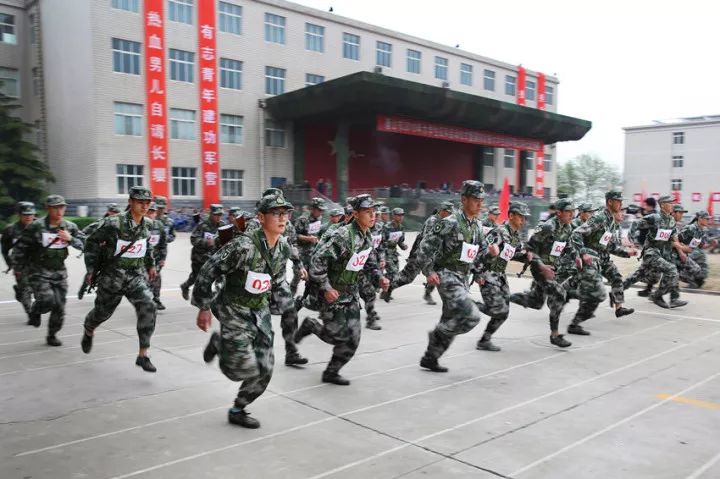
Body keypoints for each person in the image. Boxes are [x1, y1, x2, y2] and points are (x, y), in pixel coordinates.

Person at [194, 193, 295, 428]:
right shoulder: (243, 246)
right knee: (241, 370)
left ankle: (238, 409)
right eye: (276, 214)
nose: (282, 219)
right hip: (234, 309)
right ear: (260, 217)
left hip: (260, 313)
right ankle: (220, 344)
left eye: (285, 213)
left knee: (265, 370)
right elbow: (208, 271)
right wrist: (204, 306)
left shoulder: (282, 249)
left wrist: (287, 302)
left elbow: (277, 281)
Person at [294, 194, 389, 385]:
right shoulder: (343, 236)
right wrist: (326, 287)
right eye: (368, 212)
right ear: (355, 214)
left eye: (374, 212)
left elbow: (369, 263)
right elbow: (318, 261)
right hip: (332, 293)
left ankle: (331, 371)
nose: (373, 216)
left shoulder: (366, 235)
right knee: (336, 336)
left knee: (353, 339)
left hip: (350, 293)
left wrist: (379, 277)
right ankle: (310, 325)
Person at [414, 181, 499, 372]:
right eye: (476, 199)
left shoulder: (477, 226)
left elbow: (479, 254)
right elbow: (424, 249)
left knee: (451, 319)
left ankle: (430, 358)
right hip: (446, 275)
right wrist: (429, 272)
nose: (480, 204)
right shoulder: (449, 223)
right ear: (464, 200)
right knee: (471, 315)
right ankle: (438, 333)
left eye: (481, 200)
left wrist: (486, 263)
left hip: (463, 278)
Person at [80, 186, 158, 372]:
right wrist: (90, 269)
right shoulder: (113, 223)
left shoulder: (148, 224)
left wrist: (151, 264)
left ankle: (143, 354)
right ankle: (89, 329)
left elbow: (146, 245)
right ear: (130, 202)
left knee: (149, 305)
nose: (144, 206)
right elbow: (91, 241)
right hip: (112, 277)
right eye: (140, 202)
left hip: (135, 276)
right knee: (102, 313)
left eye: (147, 203)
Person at [12, 196, 84, 344]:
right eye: (55, 207)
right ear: (47, 208)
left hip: (59, 272)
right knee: (47, 299)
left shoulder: (69, 227)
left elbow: (85, 244)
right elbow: (20, 248)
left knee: (59, 306)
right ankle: (35, 311)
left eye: (61, 207)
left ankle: (52, 335)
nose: (59, 211)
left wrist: (70, 239)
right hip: (38, 271)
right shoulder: (36, 226)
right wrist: (18, 269)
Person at [566, 191, 637, 336]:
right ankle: (574, 322)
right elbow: (576, 233)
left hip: (603, 258)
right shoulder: (599, 217)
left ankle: (619, 308)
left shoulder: (611, 221)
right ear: (610, 202)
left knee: (616, 277)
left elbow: (608, 246)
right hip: (592, 258)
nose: (621, 204)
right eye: (618, 201)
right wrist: (583, 253)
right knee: (596, 292)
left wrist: (626, 253)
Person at [509, 199, 575, 347]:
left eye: (573, 211)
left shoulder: (567, 227)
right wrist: (542, 266)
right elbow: (530, 248)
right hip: (539, 267)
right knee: (559, 293)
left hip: (552, 268)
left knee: (537, 303)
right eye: (568, 211)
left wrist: (577, 258)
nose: (572, 214)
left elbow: (568, 248)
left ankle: (509, 297)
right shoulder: (548, 227)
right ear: (559, 213)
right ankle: (555, 335)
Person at [475, 202, 532, 351]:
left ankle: (484, 340)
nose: (523, 220)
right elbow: (480, 251)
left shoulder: (514, 236)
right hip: (487, 273)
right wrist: (477, 273)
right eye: (521, 217)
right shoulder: (498, 232)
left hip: (500, 275)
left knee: (504, 312)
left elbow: (512, 254)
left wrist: (526, 257)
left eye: (525, 218)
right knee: (497, 310)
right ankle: (470, 305)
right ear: (511, 215)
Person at [623, 196, 688, 309]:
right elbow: (635, 224)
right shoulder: (655, 217)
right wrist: (630, 240)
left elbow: (673, 236)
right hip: (651, 252)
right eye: (670, 203)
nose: (672, 205)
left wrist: (681, 250)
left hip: (663, 253)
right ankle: (657, 296)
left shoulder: (671, 220)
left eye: (673, 203)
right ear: (662, 205)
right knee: (671, 270)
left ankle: (619, 288)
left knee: (641, 275)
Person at [384, 201, 454, 305]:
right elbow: (428, 240)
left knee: (435, 274)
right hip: (420, 253)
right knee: (407, 277)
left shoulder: (444, 221)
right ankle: (390, 287)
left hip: (433, 254)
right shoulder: (433, 221)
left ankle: (427, 294)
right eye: (448, 212)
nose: (450, 215)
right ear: (442, 211)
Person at [180, 204, 225, 300]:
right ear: (211, 214)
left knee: (218, 275)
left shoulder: (222, 225)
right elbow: (193, 239)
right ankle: (185, 286)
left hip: (214, 256)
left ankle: (214, 296)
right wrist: (206, 242)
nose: (218, 217)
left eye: (220, 215)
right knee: (196, 277)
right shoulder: (202, 225)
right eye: (216, 215)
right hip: (199, 257)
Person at [1, 202, 37, 324]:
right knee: (26, 289)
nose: (28, 217)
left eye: (30, 214)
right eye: (24, 214)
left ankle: (19, 292)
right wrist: (10, 264)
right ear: (19, 214)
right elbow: (5, 250)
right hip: (20, 265)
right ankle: (30, 314)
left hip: (38, 264)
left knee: (37, 289)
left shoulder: (41, 226)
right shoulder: (10, 230)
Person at [291, 197, 326, 295]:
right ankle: (290, 297)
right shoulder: (303, 219)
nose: (321, 212)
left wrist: (317, 240)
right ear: (313, 208)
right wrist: (308, 238)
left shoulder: (319, 218)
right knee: (298, 275)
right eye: (319, 210)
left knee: (312, 275)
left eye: (322, 210)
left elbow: (316, 232)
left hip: (312, 251)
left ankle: (308, 296)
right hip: (301, 251)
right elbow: (295, 235)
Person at [381, 207, 408, 300]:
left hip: (394, 254)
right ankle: (380, 283)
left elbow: (400, 241)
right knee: (393, 273)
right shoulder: (387, 227)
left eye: (402, 215)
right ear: (394, 216)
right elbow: (381, 241)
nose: (400, 217)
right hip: (386, 253)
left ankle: (384, 289)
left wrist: (403, 246)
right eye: (398, 215)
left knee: (395, 274)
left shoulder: (401, 227)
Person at [145, 202, 168, 310]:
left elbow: (163, 244)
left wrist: (163, 258)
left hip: (156, 258)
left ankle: (156, 299)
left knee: (157, 278)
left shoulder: (159, 225)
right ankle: (146, 301)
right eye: (149, 212)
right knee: (145, 280)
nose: (151, 215)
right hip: (142, 259)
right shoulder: (139, 225)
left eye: (153, 212)